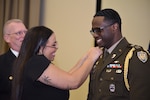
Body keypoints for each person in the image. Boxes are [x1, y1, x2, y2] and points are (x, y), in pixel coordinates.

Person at [11, 26, 102, 100]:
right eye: (53, 45)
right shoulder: (36, 62)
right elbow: (73, 81)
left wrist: (85, 57)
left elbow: (68, 76)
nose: (56, 48)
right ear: (41, 46)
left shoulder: (31, 62)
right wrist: (91, 58)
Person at [87, 8, 150, 100]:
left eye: (98, 30)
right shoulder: (97, 57)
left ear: (114, 27)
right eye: (93, 31)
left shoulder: (133, 56)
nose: (95, 35)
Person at [0, 19, 27, 100]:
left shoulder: (36, 60)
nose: (24, 36)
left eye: (26, 32)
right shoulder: (1, 63)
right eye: (19, 33)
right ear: (7, 38)